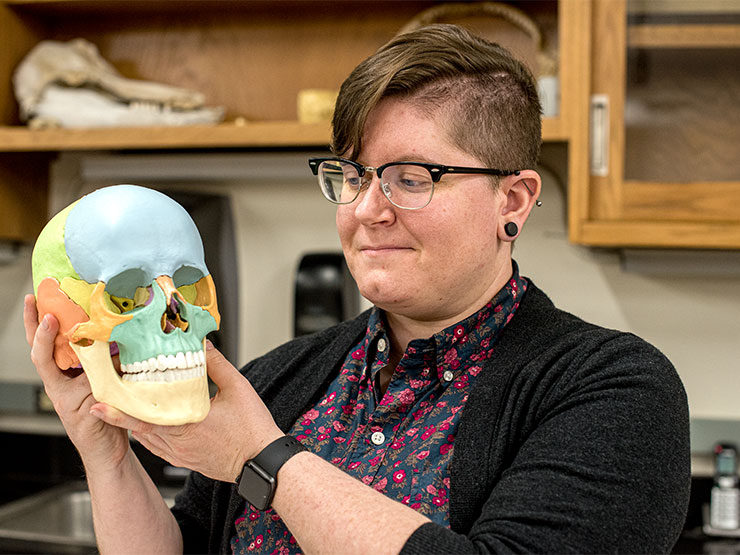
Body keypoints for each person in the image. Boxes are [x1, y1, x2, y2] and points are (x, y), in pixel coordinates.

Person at [25, 24, 690, 554]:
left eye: (411, 176)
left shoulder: (618, 391)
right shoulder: (282, 378)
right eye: (354, 174)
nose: (368, 209)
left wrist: (264, 457)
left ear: (511, 199)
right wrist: (103, 448)